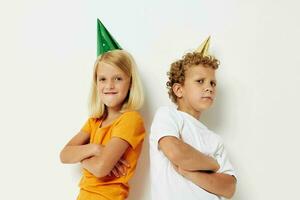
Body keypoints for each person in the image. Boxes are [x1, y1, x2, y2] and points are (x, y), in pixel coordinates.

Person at [60, 19, 145, 200]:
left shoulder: (130, 120)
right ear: (96, 83)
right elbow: (64, 154)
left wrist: (81, 156)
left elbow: (100, 169)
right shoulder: (95, 122)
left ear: (130, 83)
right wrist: (96, 149)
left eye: (118, 78)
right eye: (103, 79)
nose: (110, 85)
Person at [150, 36, 237, 200]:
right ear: (179, 90)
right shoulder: (168, 116)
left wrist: (190, 172)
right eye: (200, 81)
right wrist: (213, 164)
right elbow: (176, 152)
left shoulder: (214, 140)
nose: (209, 88)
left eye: (212, 83)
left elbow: (229, 187)